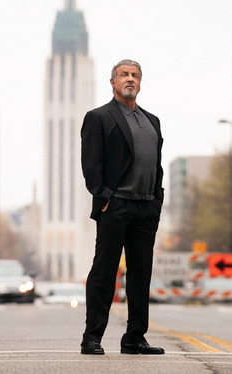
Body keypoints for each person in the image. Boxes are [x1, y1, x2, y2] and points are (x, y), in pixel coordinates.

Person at [79, 59, 165, 356]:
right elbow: (91, 165)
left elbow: (157, 164)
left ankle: (134, 338)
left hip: (145, 209)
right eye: (124, 75)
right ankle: (92, 338)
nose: (130, 79)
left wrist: (158, 198)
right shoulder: (98, 117)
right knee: (104, 274)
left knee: (141, 277)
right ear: (113, 82)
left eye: (135, 75)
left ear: (140, 83)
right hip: (115, 208)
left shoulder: (152, 120)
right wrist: (105, 198)